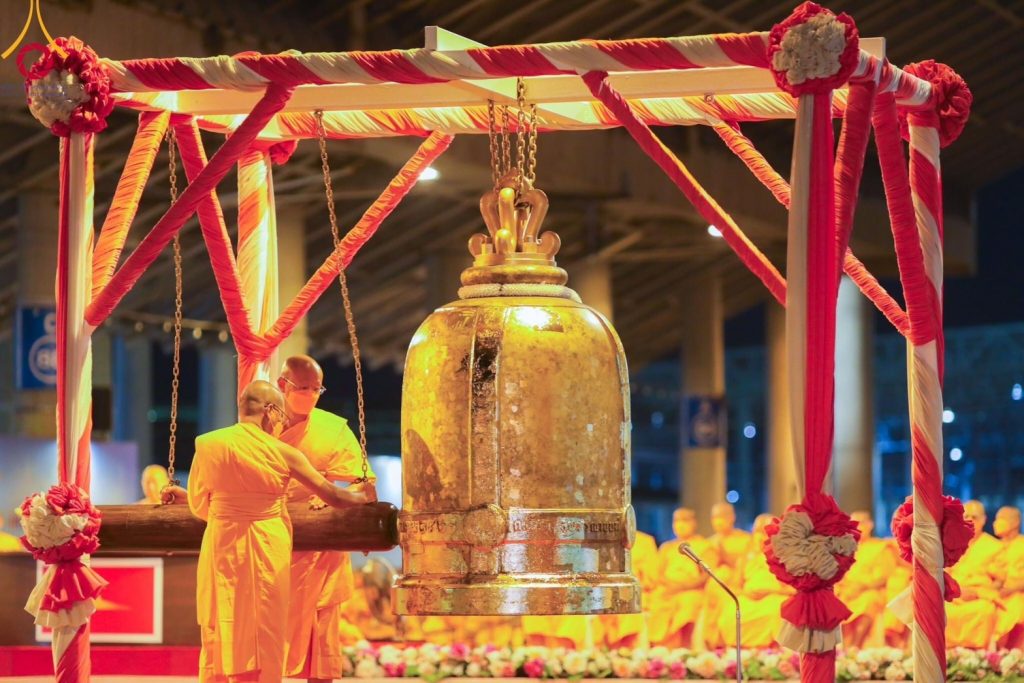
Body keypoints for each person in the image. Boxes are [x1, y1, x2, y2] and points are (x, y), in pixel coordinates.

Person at [169, 380, 374, 683]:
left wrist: (198, 500)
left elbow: (202, 505)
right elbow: (334, 496)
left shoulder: (208, 444)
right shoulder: (283, 452)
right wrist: (364, 496)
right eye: (280, 414)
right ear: (269, 410)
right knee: (265, 621)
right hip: (267, 543)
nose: (282, 422)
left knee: (225, 618)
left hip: (223, 544)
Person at [275, 355, 378, 683]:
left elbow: (366, 485)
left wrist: (329, 496)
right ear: (282, 385)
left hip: (320, 550)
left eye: (316, 389)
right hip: (270, 541)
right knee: (266, 631)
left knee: (321, 636)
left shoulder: (332, 430)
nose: (310, 394)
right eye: (302, 388)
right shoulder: (261, 428)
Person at [719, 513, 792, 649]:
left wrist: (772, 590)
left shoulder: (785, 558)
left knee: (777, 609)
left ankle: (774, 653)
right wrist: (746, 593)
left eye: (766, 532)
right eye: (758, 532)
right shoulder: (745, 557)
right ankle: (740, 652)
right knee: (731, 611)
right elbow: (734, 587)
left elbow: (795, 589)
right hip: (748, 598)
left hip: (774, 597)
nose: (761, 536)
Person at [648, 508, 717, 648]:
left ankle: (684, 649)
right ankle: (661, 651)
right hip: (669, 591)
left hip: (693, 590)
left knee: (689, 604)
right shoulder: (667, 547)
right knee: (655, 603)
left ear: (694, 523)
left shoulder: (705, 546)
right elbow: (657, 574)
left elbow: (706, 576)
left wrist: (682, 587)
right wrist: (670, 586)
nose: (680, 524)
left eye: (685, 520)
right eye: (676, 520)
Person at [946, 500, 1004, 648]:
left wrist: (978, 592)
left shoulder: (994, 546)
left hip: (979, 597)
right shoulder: (952, 544)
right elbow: (943, 574)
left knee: (985, 611)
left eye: (975, 517)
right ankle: (948, 657)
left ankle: (979, 659)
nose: (970, 520)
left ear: (984, 520)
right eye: (966, 516)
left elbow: (1000, 580)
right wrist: (955, 591)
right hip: (954, 596)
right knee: (938, 611)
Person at [836, 511, 897, 648]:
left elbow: (884, 575)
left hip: (871, 590)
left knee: (868, 601)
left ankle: (855, 646)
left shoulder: (879, 547)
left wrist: (861, 587)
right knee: (836, 602)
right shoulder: (845, 550)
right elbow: (838, 574)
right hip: (848, 591)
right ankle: (843, 647)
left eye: (861, 523)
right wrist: (845, 587)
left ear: (870, 525)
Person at [702, 502, 751, 647]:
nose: (718, 521)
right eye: (715, 517)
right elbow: (705, 570)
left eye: (722, 517)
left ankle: (729, 640)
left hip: (740, 582)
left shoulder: (745, 540)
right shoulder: (709, 543)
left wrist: (725, 556)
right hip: (716, 585)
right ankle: (714, 641)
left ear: (732, 518)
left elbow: (749, 564)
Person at [599, 530, 658, 648]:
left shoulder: (645, 541)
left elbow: (652, 577)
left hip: (637, 591)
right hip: (610, 591)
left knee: (630, 606)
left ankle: (628, 650)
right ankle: (610, 653)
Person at [993, 506, 1024, 649]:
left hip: (1017, 593)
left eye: (1001, 519)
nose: (996, 523)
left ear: (1016, 522)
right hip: (994, 594)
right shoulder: (992, 547)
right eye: (996, 519)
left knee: (1016, 606)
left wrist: (1014, 587)